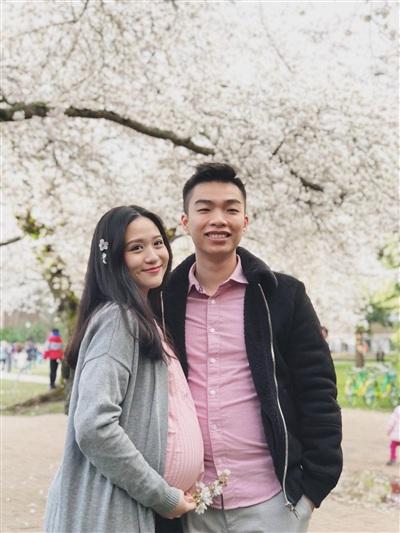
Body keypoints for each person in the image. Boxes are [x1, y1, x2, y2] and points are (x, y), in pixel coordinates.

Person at [163, 163, 343, 533]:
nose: (218, 219)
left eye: (230, 209)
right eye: (205, 208)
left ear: (245, 221)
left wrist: (313, 489)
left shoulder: (284, 295)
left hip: (272, 502)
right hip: (188, 503)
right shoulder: (163, 301)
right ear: (185, 221)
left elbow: (318, 389)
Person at [44, 205, 203, 533]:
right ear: (113, 258)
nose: (153, 256)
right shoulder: (118, 321)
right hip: (118, 511)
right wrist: (160, 495)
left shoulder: (143, 317)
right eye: (136, 248)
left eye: (157, 243)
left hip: (149, 511)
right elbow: (94, 426)